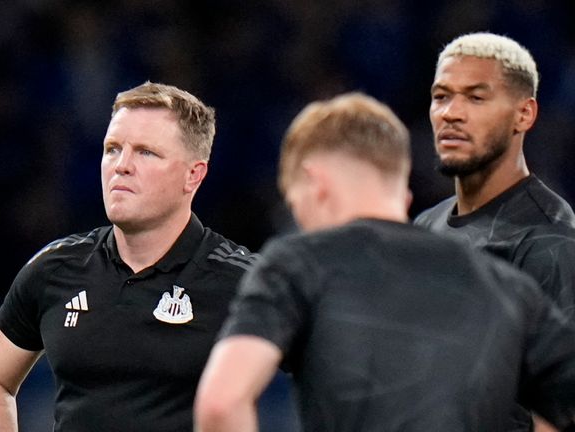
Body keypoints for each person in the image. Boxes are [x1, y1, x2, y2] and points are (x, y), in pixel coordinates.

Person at [194, 93, 575, 432]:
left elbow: (220, 403)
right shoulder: (502, 280)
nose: (300, 221)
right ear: (404, 196)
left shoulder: (298, 261)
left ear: (315, 182)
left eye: (295, 204)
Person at [0, 81, 258, 432]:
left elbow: (331, 370)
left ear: (193, 175)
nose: (122, 166)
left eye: (146, 152)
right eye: (113, 149)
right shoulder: (56, 268)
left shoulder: (241, 281)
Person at [414, 32, 575, 431]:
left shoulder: (548, 239)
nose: (451, 112)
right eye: (441, 96)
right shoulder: (425, 225)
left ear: (524, 114)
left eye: (476, 97)